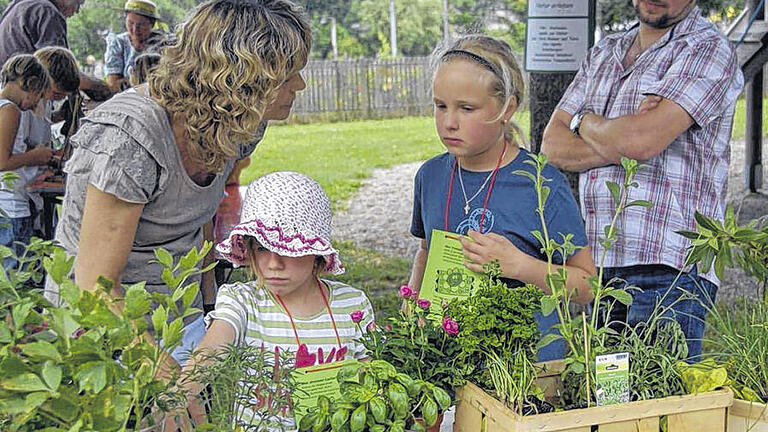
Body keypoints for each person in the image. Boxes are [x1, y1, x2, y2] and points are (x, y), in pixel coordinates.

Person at [45, 0, 312, 369]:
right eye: (289, 74)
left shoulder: (242, 124)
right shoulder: (129, 138)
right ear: (242, 79)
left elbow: (199, 220)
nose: (300, 84)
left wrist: (209, 306)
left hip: (175, 319)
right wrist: (162, 375)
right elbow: (95, 287)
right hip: (103, 334)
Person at [540, 0, 744, 359]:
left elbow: (640, 140)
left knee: (659, 408)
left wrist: (583, 121)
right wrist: (628, 137)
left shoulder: (707, 49)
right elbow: (552, 145)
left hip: (670, 269)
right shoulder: (603, 52)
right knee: (606, 404)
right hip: (596, 267)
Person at [409, 35, 596, 361]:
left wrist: (520, 266)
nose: (449, 122)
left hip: (527, 370)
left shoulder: (540, 182)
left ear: (507, 107)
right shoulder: (431, 176)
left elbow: (587, 284)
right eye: (440, 106)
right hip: (447, 363)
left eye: (466, 108)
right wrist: (412, 304)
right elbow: (426, 250)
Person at [175, 171, 374, 430]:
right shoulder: (242, 301)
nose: (273, 264)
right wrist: (178, 397)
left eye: (287, 250)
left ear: (316, 253)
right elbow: (214, 345)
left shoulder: (352, 305)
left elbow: (371, 377)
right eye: (261, 248)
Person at [0, 0, 112, 100]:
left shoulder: (19, 5)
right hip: (24, 95)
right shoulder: (47, 12)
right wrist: (102, 87)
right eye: (79, 3)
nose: (77, 11)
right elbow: (61, 74)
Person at [0, 54, 51, 269]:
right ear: (30, 84)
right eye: (38, 96)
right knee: (15, 277)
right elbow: (2, 161)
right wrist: (35, 157)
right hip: (11, 206)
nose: (35, 104)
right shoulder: (10, 110)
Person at [104, 0, 165, 92]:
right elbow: (113, 83)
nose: (135, 29)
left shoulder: (163, 43)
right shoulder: (118, 43)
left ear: (152, 24)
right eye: (131, 23)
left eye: (141, 24)